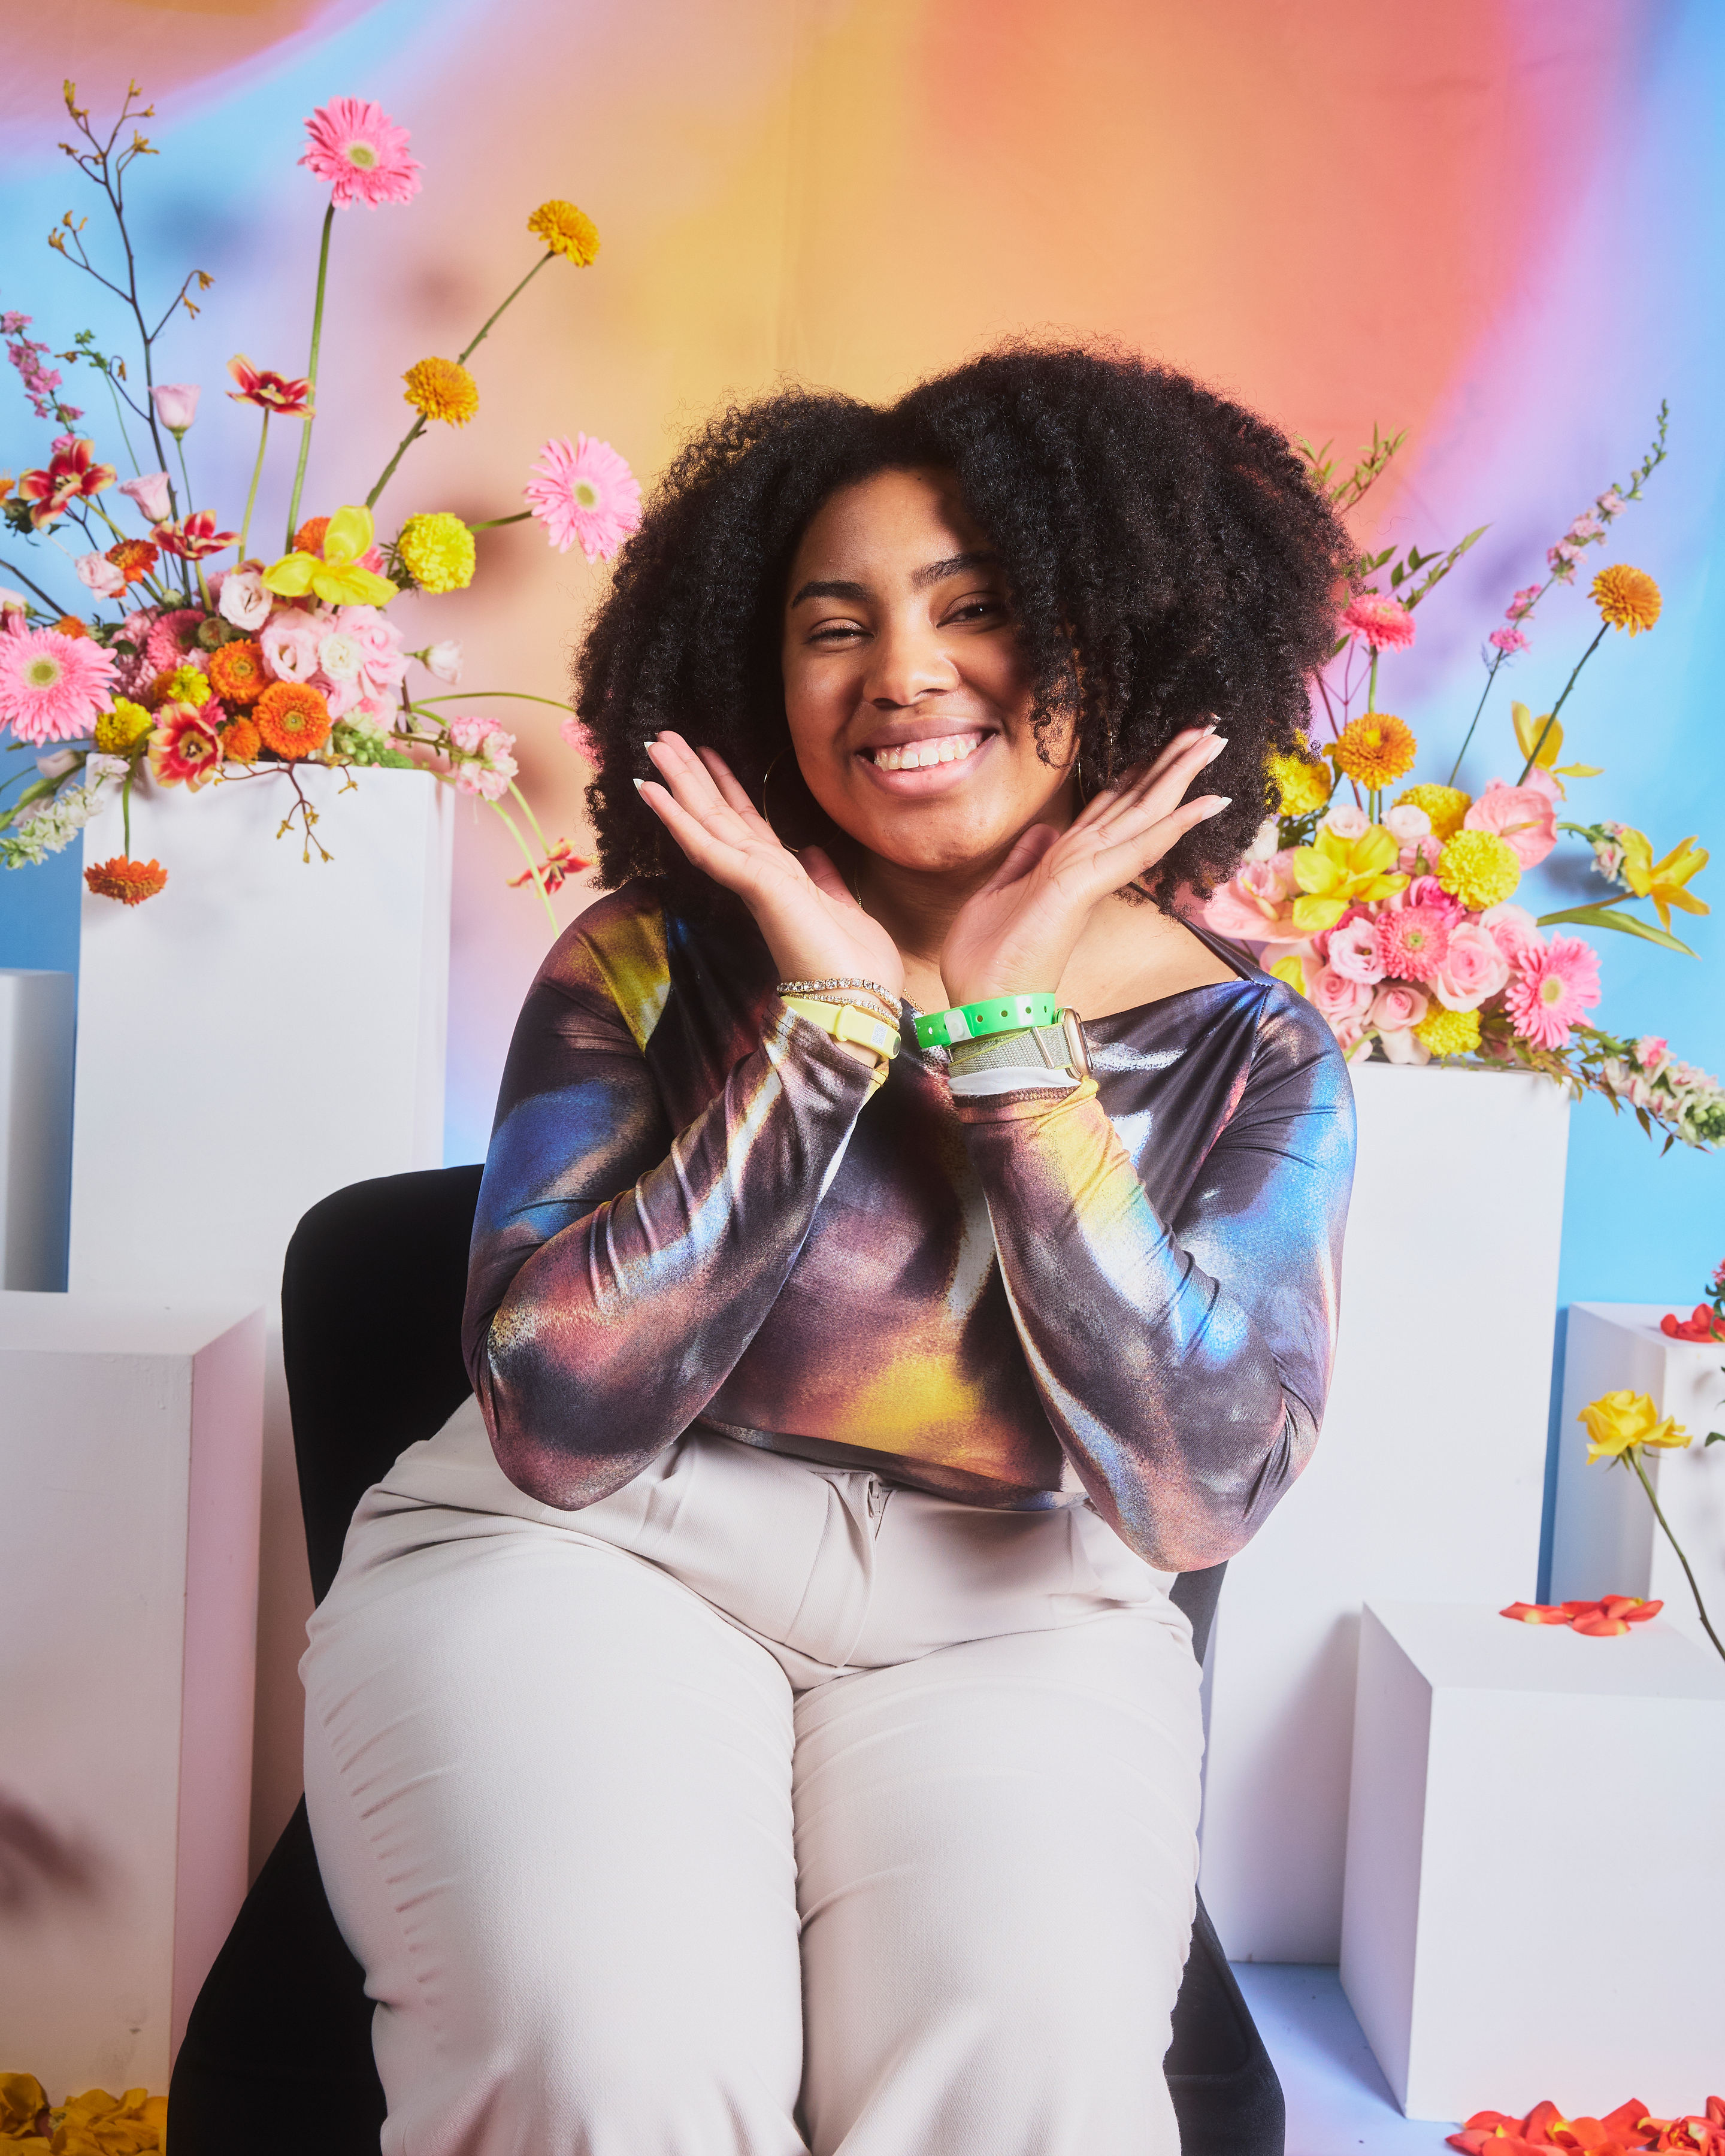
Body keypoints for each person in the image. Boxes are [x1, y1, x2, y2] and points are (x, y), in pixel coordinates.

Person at [301, 343, 1357, 2155]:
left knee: (1025, 2091)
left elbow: (1198, 1494)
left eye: (981, 606)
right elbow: (562, 1413)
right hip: (594, 1561)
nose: (905, 674)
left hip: (1015, 1619)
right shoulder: (646, 958)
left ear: (1122, 633)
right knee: (609, 2066)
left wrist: (1009, 1046)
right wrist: (821, 1035)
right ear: (755, 669)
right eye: (831, 624)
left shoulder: (1255, 1053)